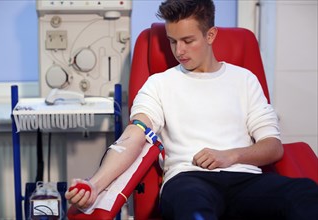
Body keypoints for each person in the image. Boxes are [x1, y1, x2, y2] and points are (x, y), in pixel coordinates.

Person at [66, 0, 318, 219]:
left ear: (210, 35)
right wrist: (94, 185)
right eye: (172, 41)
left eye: (188, 40)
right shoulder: (159, 84)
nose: (179, 51)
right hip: (188, 180)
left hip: (246, 180)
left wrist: (230, 156)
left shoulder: (244, 80)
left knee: (305, 193)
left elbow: (273, 147)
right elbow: (134, 136)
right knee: (194, 208)